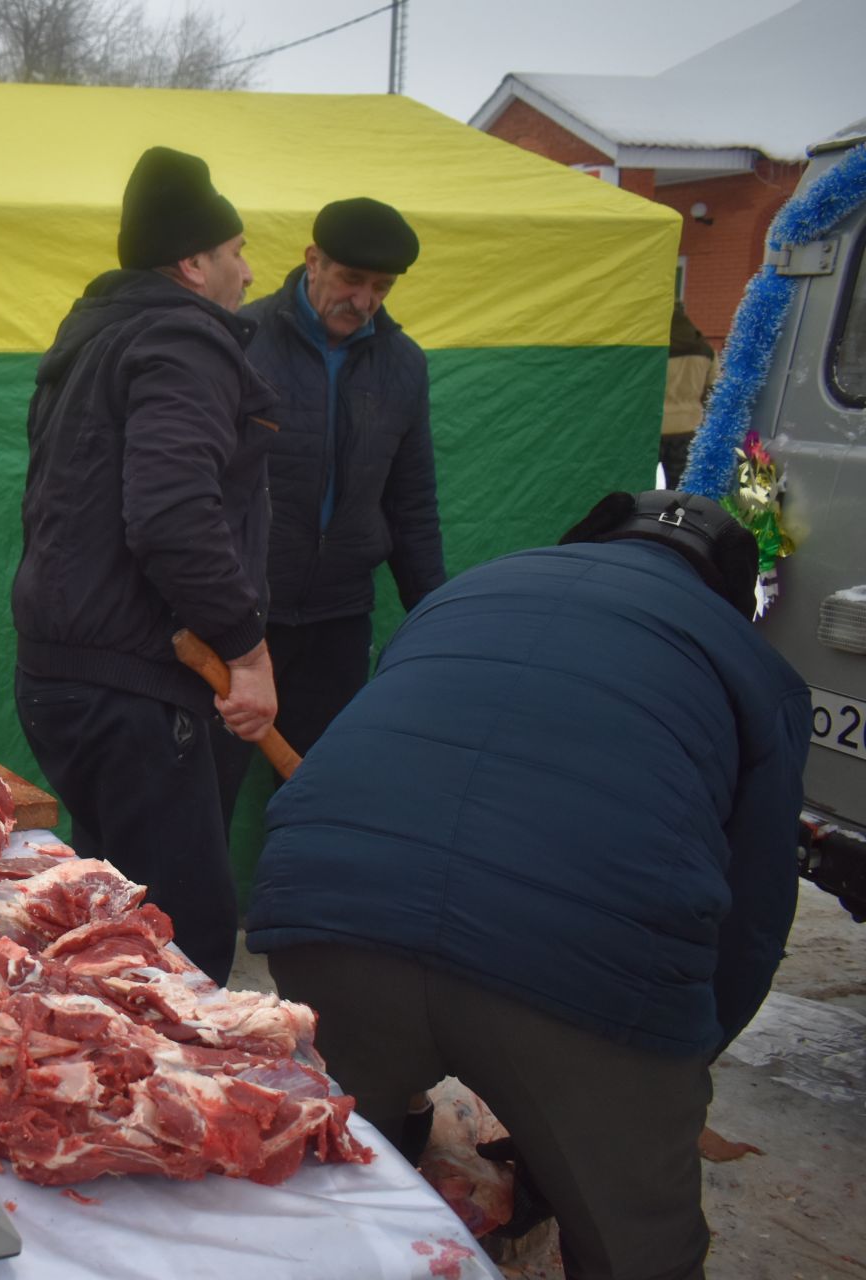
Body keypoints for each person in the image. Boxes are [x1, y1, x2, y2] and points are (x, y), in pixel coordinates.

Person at [246, 490, 809, 1280]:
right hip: (587, 953)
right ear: (724, 589)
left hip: (322, 904)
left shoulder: (468, 592)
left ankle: (380, 1176)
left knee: (340, 1179)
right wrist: (672, 1062)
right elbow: (754, 919)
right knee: (637, 1247)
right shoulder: (749, 660)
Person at [11, 145, 278, 983]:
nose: (246, 268)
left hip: (65, 679)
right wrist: (247, 649)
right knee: (182, 952)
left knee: (108, 930)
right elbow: (169, 513)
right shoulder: (181, 336)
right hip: (133, 692)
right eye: (236, 251)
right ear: (194, 263)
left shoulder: (94, 334)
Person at [236, 197, 444, 762]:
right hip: (241, 615)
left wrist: (435, 617)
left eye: (381, 287)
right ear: (313, 261)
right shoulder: (239, 340)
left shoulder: (404, 364)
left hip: (339, 620)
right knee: (210, 786)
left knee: (319, 783)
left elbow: (411, 502)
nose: (364, 301)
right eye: (351, 280)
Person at [663, 299, 716, 486]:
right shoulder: (704, 349)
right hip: (689, 426)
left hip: (655, 427)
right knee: (681, 487)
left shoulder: (654, 349)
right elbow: (715, 386)